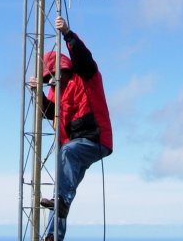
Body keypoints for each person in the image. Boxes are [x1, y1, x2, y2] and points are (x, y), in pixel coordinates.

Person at [30, 16, 113, 241]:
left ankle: (61, 207)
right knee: (62, 191)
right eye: (50, 78)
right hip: (74, 147)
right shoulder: (56, 90)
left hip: (95, 139)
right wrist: (38, 93)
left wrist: (67, 33)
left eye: (57, 74)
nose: (55, 80)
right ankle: (53, 236)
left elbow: (83, 56)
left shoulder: (85, 75)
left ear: (65, 68)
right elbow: (49, 113)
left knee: (63, 187)